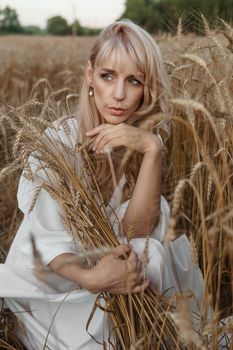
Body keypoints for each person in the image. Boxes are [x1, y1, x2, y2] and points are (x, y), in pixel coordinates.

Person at [0, 19, 205, 349]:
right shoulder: (57, 144)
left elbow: (137, 233)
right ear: (90, 76)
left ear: (146, 90)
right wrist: (91, 277)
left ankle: (131, 332)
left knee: (148, 256)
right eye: (108, 76)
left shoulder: (141, 147)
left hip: (118, 280)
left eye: (133, 80)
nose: (119, 94)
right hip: (58, 284)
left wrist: (152, 149)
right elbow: (46, 239)